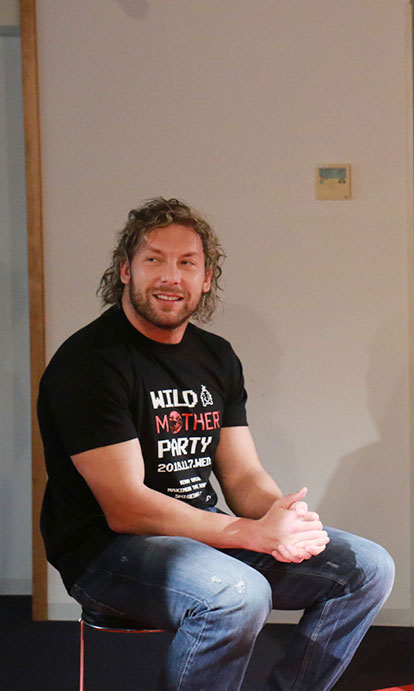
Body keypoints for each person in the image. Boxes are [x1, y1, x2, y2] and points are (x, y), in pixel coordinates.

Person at [38, 198, 395, 690]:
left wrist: (279, 519)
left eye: (187, 263)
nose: (171, 277)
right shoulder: (90, 362)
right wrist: (250, 534)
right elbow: (126, 507)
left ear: (206, 279)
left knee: (369, 568)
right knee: (237, 594)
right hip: (106, 552)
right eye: (154, 260)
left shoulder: (216, 355)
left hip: (201, 533)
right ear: (125, 270)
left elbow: (242, 474)